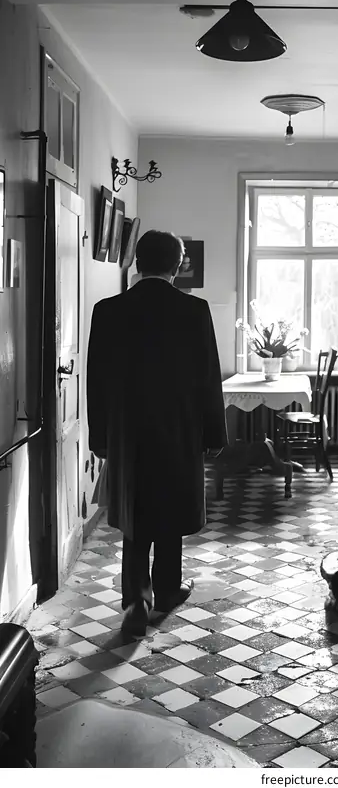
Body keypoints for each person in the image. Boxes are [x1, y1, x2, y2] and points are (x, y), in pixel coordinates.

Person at [87, 230, 227, 637]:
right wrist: (215, 433)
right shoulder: (194, 309)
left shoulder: (108, 310)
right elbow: (208, 378)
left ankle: (137, 599)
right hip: (179, 428)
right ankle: (166, 589)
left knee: (136, 512)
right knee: (172, 508)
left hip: (128, 432)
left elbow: (97, 380)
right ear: (177, 265)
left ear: (136, 260)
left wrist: (100, 436)